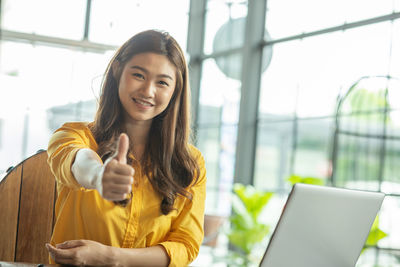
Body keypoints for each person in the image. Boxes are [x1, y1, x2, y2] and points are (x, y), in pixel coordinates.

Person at [45, 30, 206, 267]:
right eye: (139, 75)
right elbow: (79, 161)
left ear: (175, 91)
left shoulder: (191, 163)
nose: (148, 91)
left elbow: (185, 245)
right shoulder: (73, 135)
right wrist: (99, 176)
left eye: (162, 82)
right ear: (117, 70)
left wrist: (109, 258)